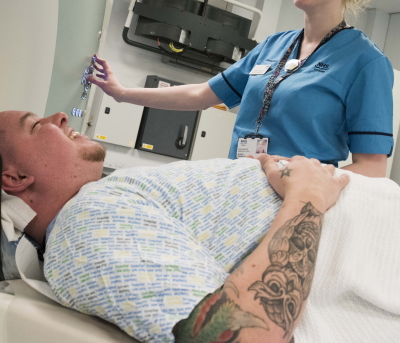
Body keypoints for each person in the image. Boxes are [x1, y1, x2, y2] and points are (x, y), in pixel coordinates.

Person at [2, 110, 400, 343]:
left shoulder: (101, 205)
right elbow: (239, 337)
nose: (59, 116)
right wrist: (306, 196)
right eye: (36, 125)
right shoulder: (83, 228)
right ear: (15, 178)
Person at [88, 0, 394, 178]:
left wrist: (296, 178)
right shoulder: (274, 46)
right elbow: (201, 96)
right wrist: (122, 93)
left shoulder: (365, 63)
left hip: (294, 202)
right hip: (238, 185)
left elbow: (372, 167)